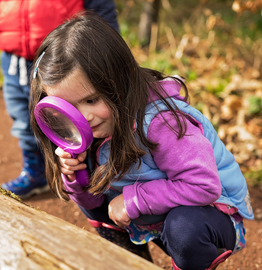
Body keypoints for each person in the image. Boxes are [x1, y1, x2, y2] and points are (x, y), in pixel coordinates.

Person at [29, 12, 254, 270]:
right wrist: (75, 178)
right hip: (151, 215)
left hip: (210, 212)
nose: (84, 117)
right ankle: (133, 264)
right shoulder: (91, 129)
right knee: (95, 203)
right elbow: (93, 202)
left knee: (184, 229)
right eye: (68, 108)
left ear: (120, 81)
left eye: (91, 100)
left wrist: (132, 200)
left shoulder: (162, 122)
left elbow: (203, 186)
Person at [0, 0, 120, 199]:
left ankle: (96, 175)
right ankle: (36, 172)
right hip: (13, 59)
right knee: (22, 115)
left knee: (76, 117)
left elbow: (101, 9)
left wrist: (107, 48)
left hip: (64, 63)